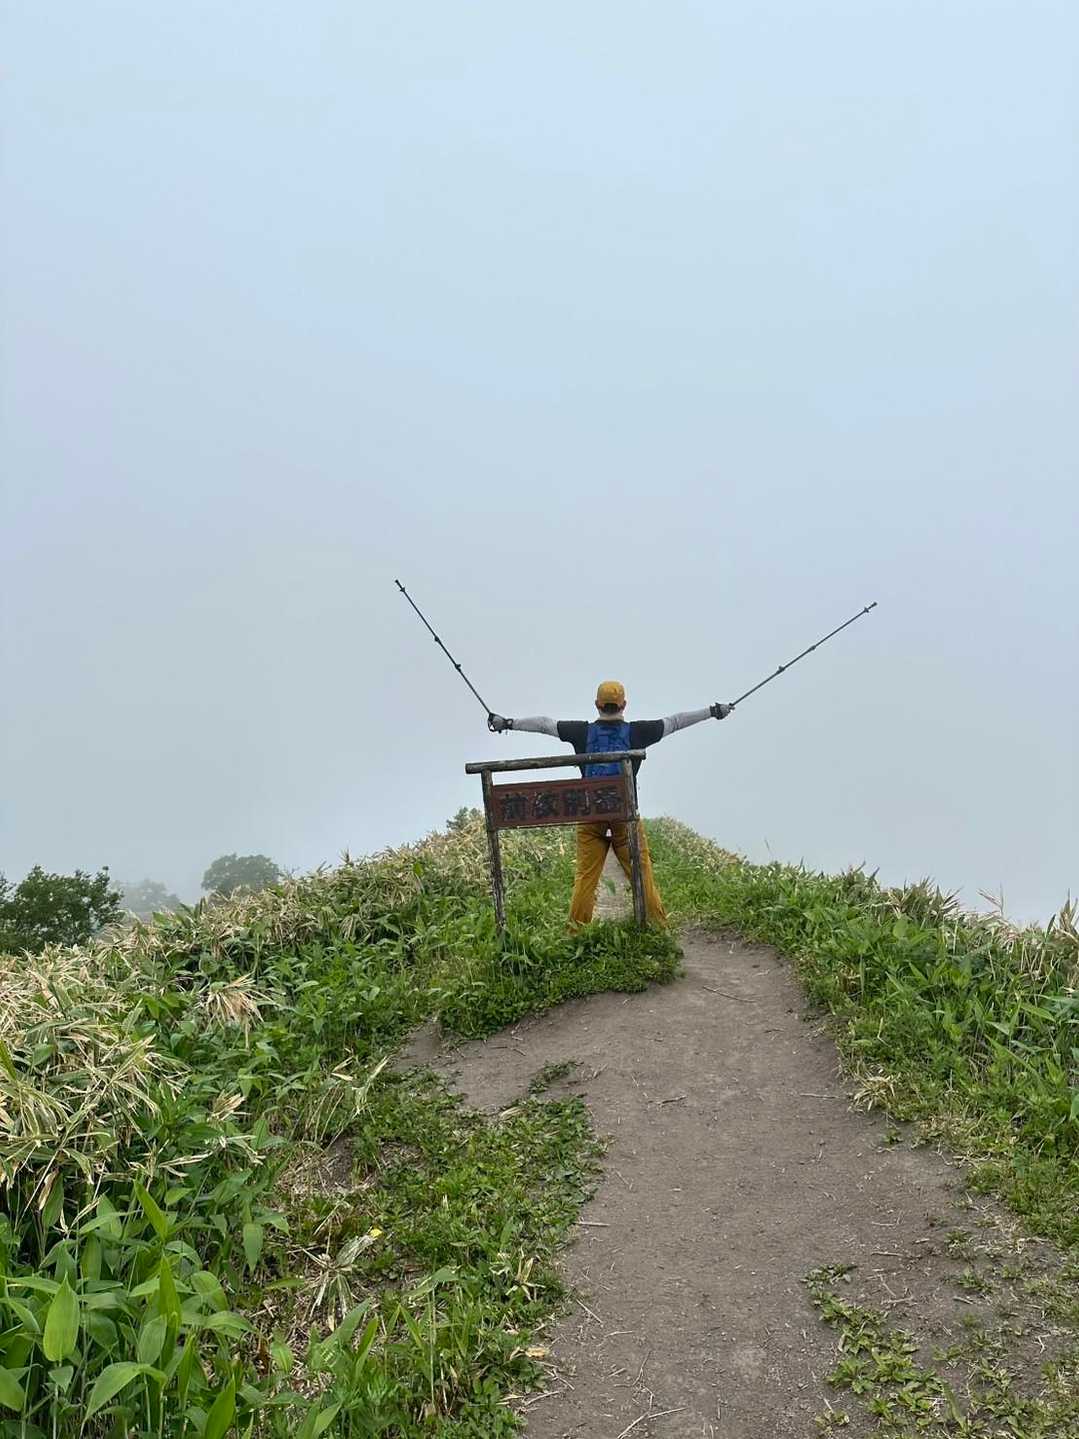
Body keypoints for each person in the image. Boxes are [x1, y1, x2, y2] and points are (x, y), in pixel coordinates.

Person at [489, 682, 733, 926]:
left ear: (597, 704)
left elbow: (544, 724)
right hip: (625, 817)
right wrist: (713, 711)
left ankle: (575, 932)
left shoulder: (581, 732)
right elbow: (676, 721)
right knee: (641, 873)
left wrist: (508, 723)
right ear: (624, 705)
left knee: (585, 878)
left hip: (589, 816)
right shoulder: (639, 732)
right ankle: (659, 928)